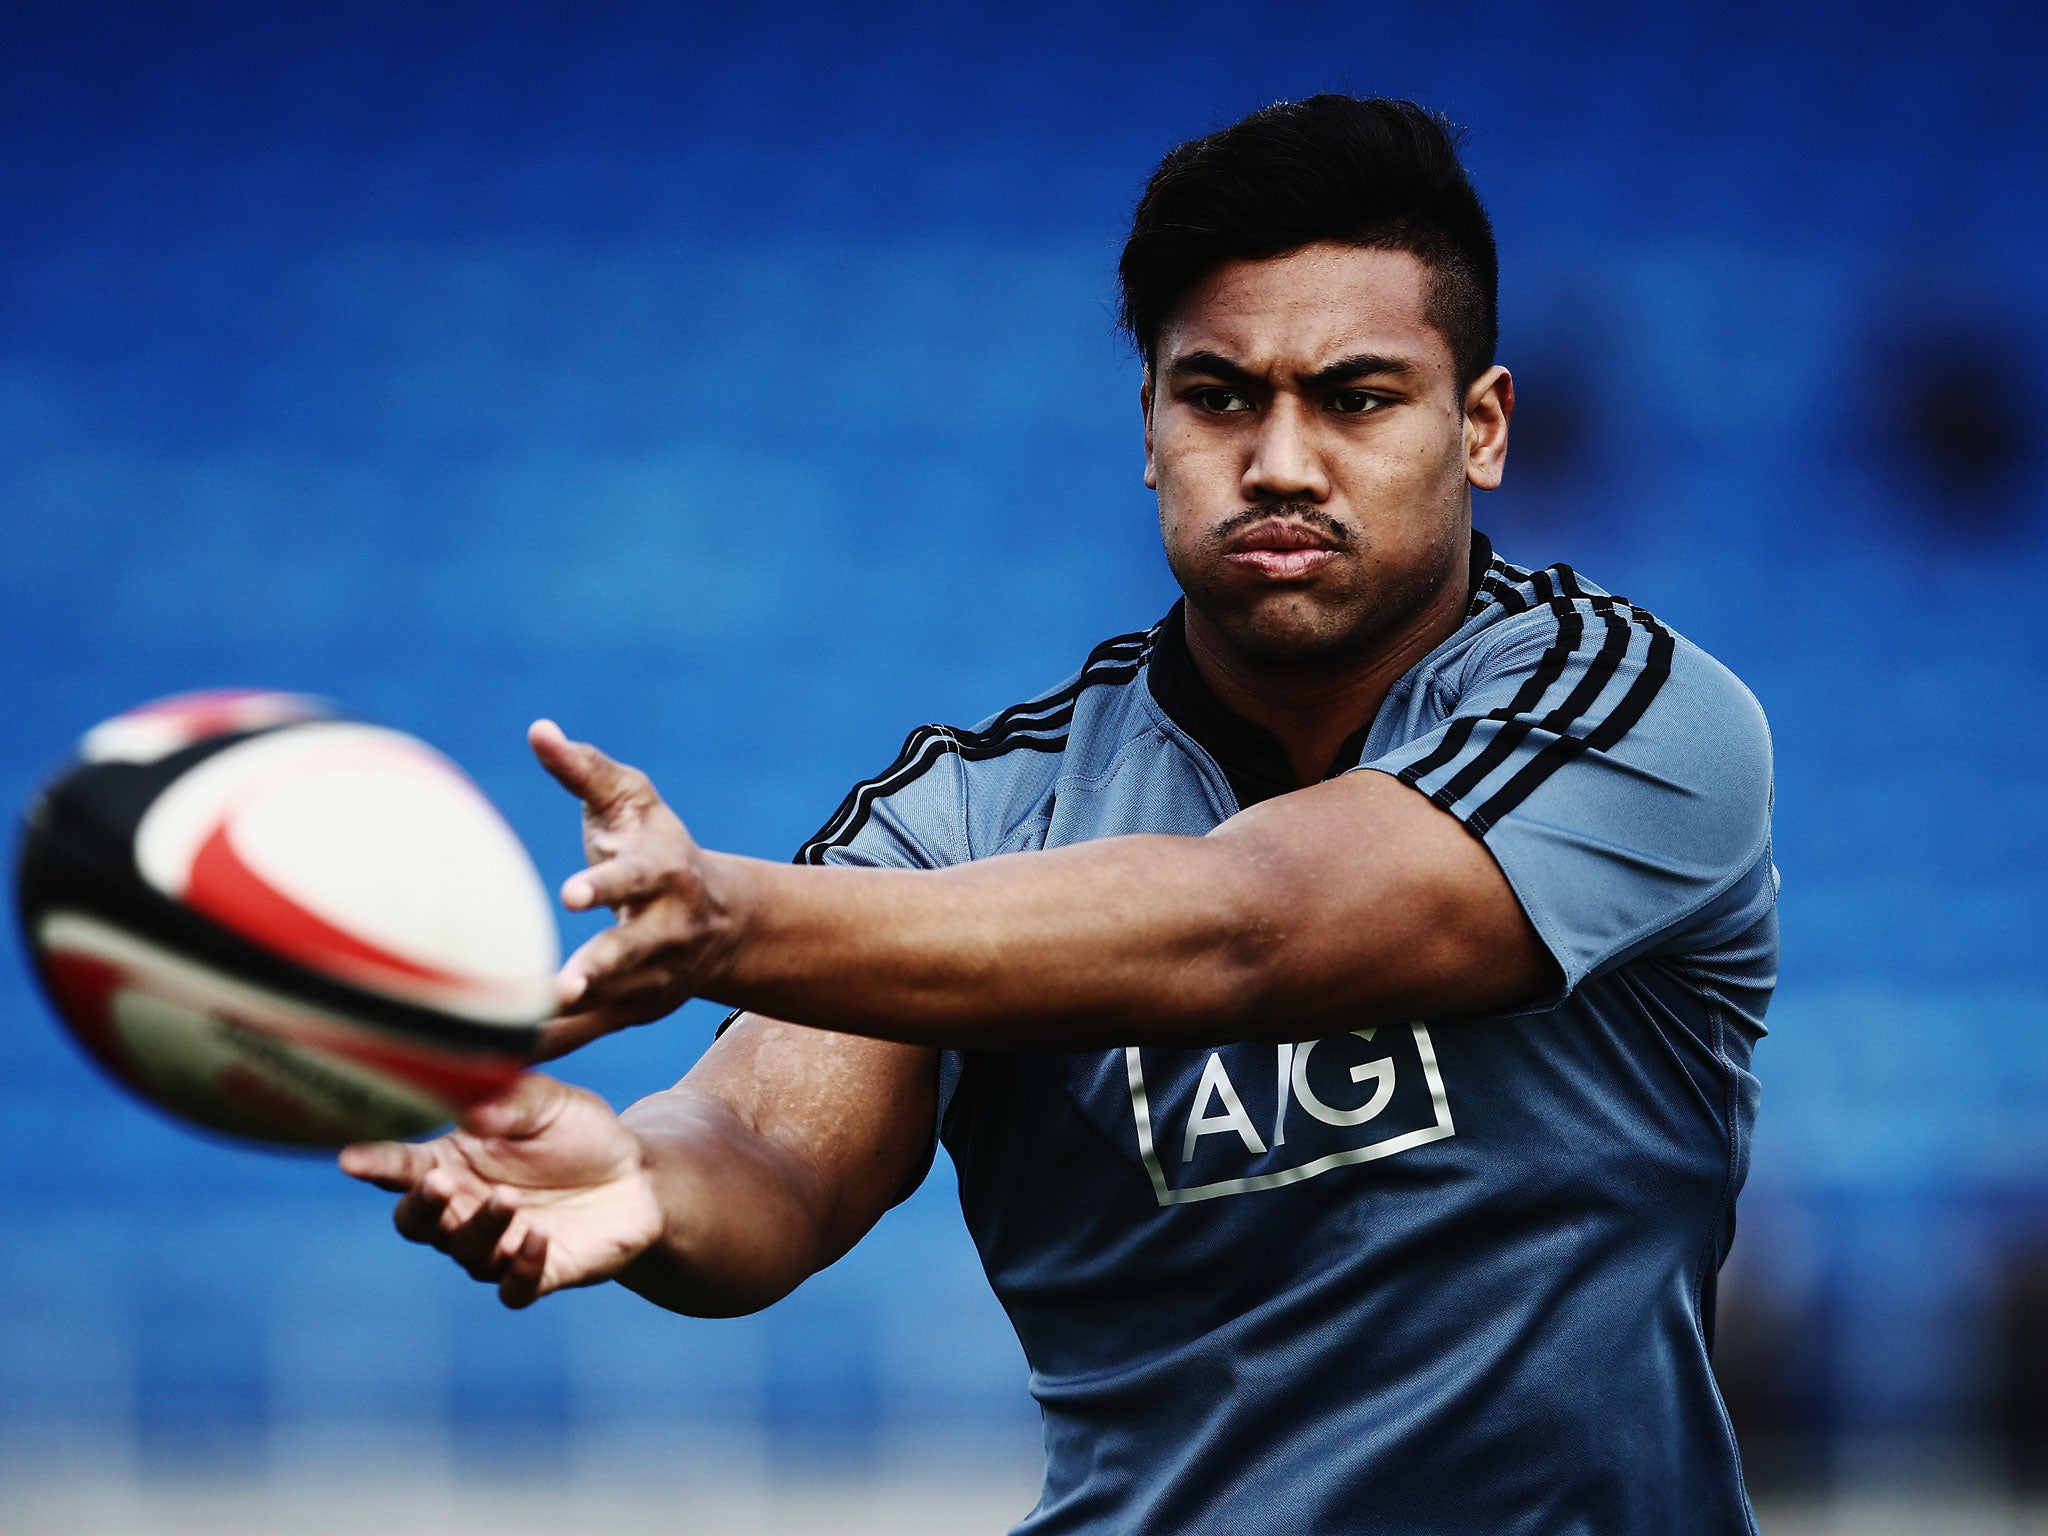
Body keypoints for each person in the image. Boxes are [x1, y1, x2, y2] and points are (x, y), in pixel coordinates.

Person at [342, 95, 1777, 1535]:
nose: (1280, 461)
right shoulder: (973, 817)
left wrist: (730, 918)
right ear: (1150, 427)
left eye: (1356, 397)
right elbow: (771, 1157)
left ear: (1480, 426)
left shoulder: (1635, 715)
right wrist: (646, 1182)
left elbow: (1254, 929)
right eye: (1218, 396)